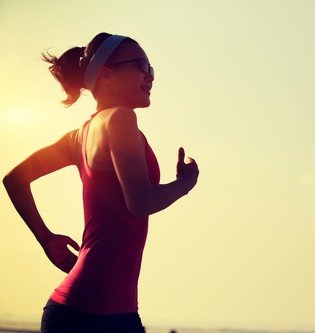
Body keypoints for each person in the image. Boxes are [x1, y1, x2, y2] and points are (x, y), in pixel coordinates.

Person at [2, 32, 199, 333]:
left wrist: (46, 239)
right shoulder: (120, 119)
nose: (150, 76)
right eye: (141, 65)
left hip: (79, 311)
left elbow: (14, 179)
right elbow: (141, 202)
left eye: (151, 69)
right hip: (98, 318)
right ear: (106, 74)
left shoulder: (79, 136)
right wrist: (185, 184)